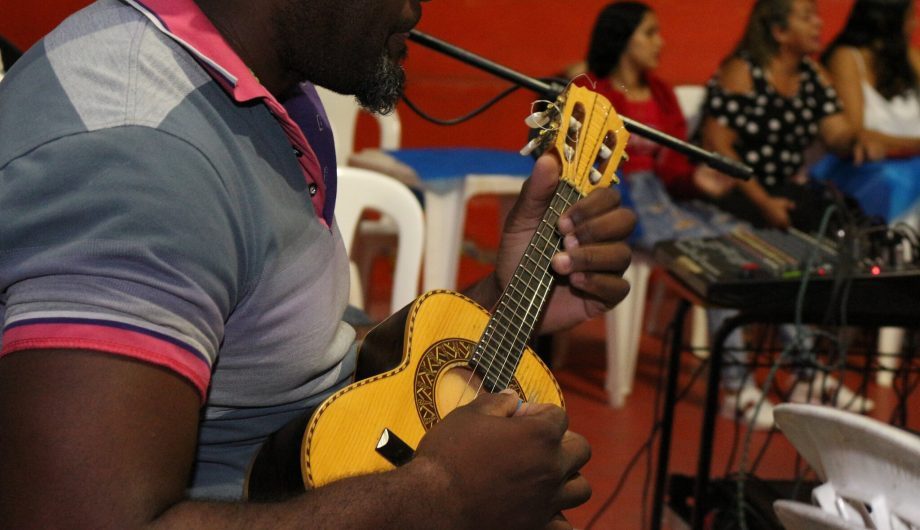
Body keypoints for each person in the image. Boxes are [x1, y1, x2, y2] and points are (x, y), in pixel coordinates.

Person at [0, 0, 637, 527]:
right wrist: (443, 494)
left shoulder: (261, 89)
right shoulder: (138, 157)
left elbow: (285, 343)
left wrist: (509, 299)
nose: (418, 9)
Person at [698, 0, 880, 428]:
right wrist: (763, 202)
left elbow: (834, 130)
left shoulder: (813, 76)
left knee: (828, 233)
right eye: (807, 16)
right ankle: (737, 385)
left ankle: (806, 374)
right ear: (779, 31)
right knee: (758, 250)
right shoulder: (742, 71)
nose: (819, 23)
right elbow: (718, 148)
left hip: (782, 193)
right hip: (734, 191)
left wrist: (856, 138)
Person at [577, 0, 744, 251]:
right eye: (649, 33)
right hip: (617, 198)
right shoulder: (593, 92)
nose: (660, 42)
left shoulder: (661, 94)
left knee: (734, 237)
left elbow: (674, 171)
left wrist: (696, 180)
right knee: (693, 243)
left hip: (663, 198)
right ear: (622, 37)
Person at [813, 0, 920, 230]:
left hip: (913, 166)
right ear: (889, 20)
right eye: (911, 16)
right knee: (893, 180)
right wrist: (914, 145)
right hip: (866, 171)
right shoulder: (846, 58)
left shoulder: (911, 59)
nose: (916, 23)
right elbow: (855, 131)